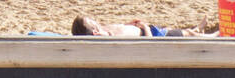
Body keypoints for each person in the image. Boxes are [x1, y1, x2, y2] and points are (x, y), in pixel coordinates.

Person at [71, 15, 217, 37]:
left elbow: (118, 28)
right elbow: (148, 44)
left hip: (148, 30)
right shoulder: (107, 38)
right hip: (154, 36)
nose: (95, 20)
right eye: (92, 21)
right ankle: (208, 35)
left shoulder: (104, 31)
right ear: (95, 32)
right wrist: (145, 27)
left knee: (180, 31)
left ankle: (198, 29)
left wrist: (128, 24)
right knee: (184, 34)